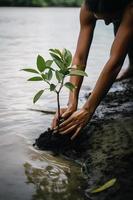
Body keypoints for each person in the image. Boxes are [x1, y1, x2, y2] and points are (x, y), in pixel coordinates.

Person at [51, 0, 133, 140]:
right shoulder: (87, 7)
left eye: (110, 16)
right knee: (119, 26)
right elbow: (80, 57)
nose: (106, 23)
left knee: (125, 28)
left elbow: (115, 62)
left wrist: (88, 109)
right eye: (100, 18)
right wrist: (72, 103)